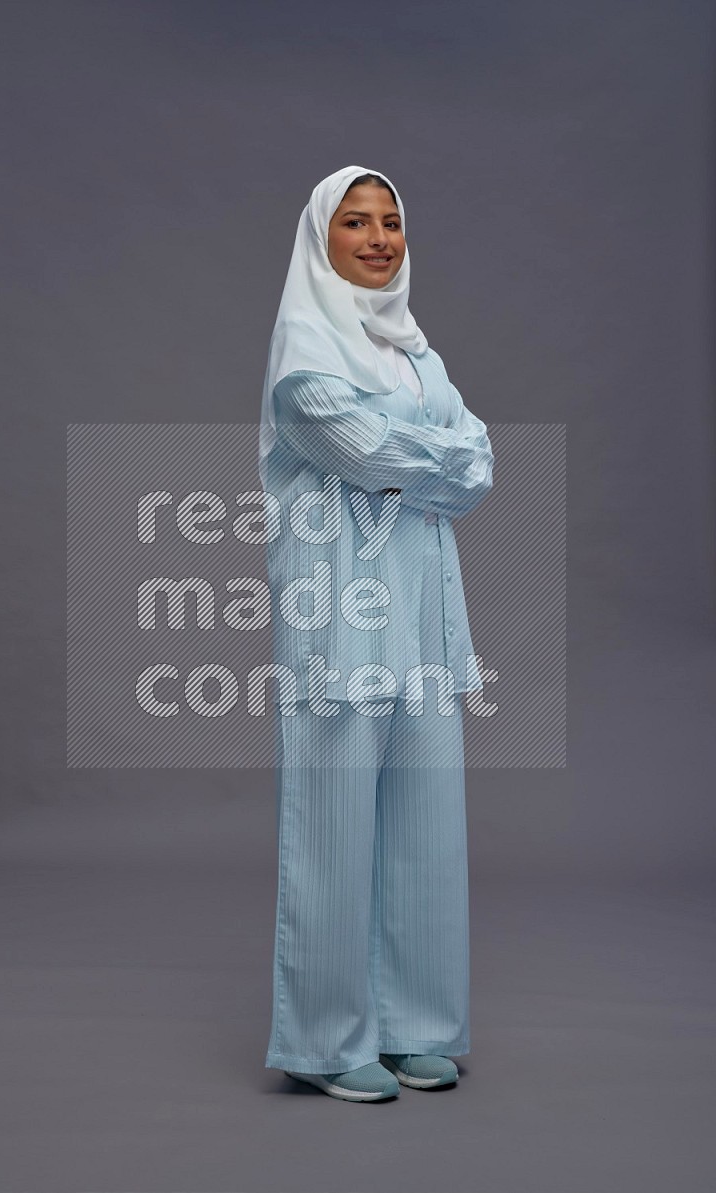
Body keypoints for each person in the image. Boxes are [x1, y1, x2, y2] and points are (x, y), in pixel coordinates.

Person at [258, 165, 495, 1102]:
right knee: (333, 824)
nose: (378, 238)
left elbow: (477, 468)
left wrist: (420, 458)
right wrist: (431, 454)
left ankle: (415, 1027)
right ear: (323, 240)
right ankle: (324, 1038)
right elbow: (361, 451)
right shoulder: (304, 356)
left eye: (391, 221)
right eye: (355, 222)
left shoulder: (415, 353)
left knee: (428, 827)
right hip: (340, 617)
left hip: (427, 620)